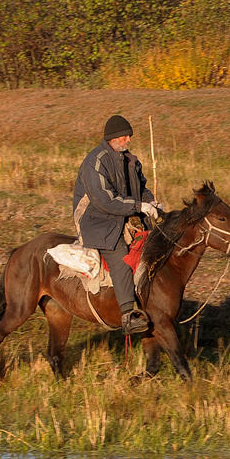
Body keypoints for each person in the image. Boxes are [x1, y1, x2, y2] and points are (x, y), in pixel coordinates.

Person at [73, 114, 160, 335]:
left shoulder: (131, 160)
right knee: (121, 254)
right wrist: (139, 207)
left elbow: (141, 189)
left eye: (129, 136)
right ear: (112, 138)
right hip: (96, 218)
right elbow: (105, 200)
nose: (128, 140)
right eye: (124, 136)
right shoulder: (96, 161)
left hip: (123, 213)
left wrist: (151, 202)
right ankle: (128, 314)